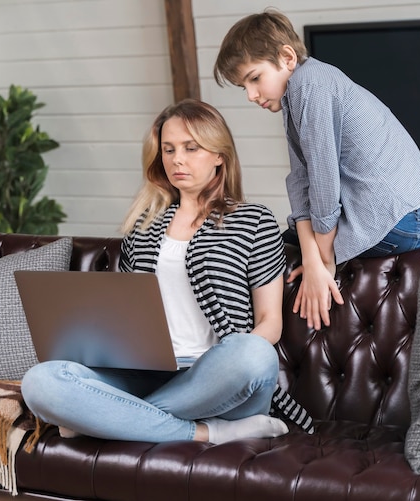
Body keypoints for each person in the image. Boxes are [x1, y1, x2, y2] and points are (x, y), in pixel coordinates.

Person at [21, 99, 295, 444]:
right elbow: (125, 316)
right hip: (150, 372)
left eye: (191, 148)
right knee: (41, 381)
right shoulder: (143, 226)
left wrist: (95, 411)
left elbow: (270, 323)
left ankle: (110, 417)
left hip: (218, 377)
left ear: (219, 155)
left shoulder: (254, 220)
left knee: (254, 354)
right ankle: (206, 432)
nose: (177, 159)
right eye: (168, 149)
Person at [214, 9, 420, 331]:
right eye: (244, 86)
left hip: (407, 218)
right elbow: (300, 179)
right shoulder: (295, 93)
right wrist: (314, 259)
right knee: (291, 237)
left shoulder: (311, 83)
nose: (251, 95)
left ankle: (242, 332)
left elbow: (324, 183)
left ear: (286, 57)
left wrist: (321, 263)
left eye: (254, 78)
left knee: (267, 244)